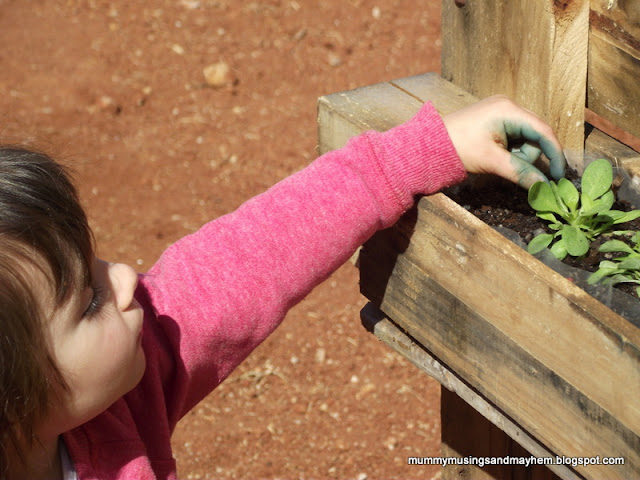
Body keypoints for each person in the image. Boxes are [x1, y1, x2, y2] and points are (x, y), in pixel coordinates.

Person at [1, 94, 565, 479]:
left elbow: (247, 259)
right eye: (89, 302)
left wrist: (410, 158)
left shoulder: (114, 392)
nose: (125, 277)